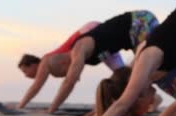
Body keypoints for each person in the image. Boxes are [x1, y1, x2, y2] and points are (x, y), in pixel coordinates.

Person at [17, 12, 156, 110]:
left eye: (25, 71)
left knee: (144, 70)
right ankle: (150, 99)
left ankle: (147, 99)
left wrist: (50, 109)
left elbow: (66, 82)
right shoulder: (85, 57)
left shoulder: (48, 60)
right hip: (126, 34)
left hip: (137, 23)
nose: (70, 74)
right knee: (127, 75)